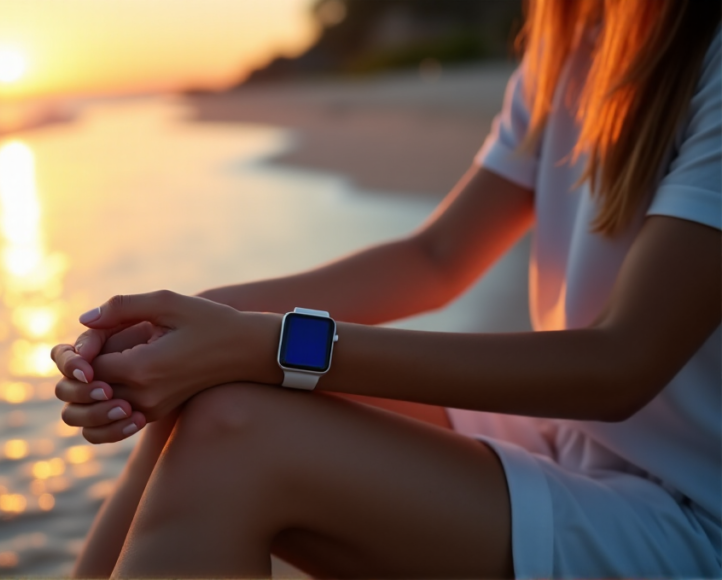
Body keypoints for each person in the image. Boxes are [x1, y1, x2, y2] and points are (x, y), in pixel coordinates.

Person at [49, 0, 721, 577]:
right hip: (568, 439)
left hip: (691, 512)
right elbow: (435, 257)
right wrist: (192, 321)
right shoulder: (574, 37)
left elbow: (620, 367)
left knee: (238, 434)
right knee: (202, 387)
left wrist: (262, 344)